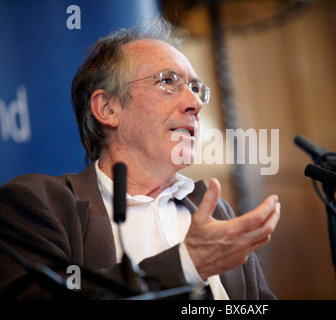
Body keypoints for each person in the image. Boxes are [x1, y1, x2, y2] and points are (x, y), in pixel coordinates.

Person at [0, 17, 280, 300]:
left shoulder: (215, 211)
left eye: (195, 88)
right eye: (168, 82)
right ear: (108, 108)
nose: (195, 103)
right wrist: (186, 264)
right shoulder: (40, 203)